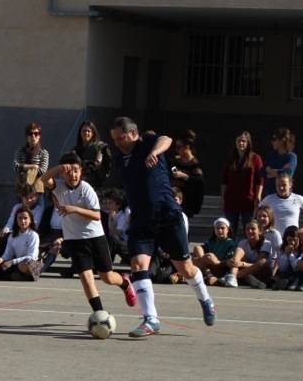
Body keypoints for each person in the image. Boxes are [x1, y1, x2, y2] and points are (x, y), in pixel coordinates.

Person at [109, 116, 215, 337]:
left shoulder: (147, 142)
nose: (117, 142)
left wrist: (155, 153)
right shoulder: (119, 158)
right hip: (140, 219)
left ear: (133, 133)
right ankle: (151, 319)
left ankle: (206, 300)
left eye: (121, 138)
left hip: (167, 215)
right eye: (114, 139)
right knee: (138, 264)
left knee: (184, 268)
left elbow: (166, 139)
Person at [49, 153, 138, 307]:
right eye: (68, 171)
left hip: (95, 237)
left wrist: (74, 209)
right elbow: (41, 180)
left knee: (107, 277)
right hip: (74, 239)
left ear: (81, 171)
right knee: (86, 278)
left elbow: (96, 215)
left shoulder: (86, 189)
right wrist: (58, 168)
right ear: (62, 173)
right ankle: (99, 314)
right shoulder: (59, 187)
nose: (73, 174)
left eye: (76, 170)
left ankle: (125, 282)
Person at [220, 131, 264, 230]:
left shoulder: (255, 158)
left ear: (248, 143)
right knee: (230, 230)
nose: (241, 143)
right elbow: (224, 180)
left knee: (250, 229)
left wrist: (258, 196)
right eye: (239, 141)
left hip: (248, 200)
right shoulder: (231, 158)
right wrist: (223, 198)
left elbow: (260, 179)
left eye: (243, 141)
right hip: (231, 200)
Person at [0, 207, 42, 281]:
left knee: (24, 264)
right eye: (20, 218)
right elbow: (8, 252)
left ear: (30, 220)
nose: (23, 221)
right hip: (16, 264)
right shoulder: (12, 235)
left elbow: (31, 257)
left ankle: (25, 276)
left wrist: (12, 261)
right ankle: (15, 275)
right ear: (16, 220)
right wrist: (2, 259)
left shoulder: (33, 235)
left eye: (25, 218)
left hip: (32, 265)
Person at [192, 217, 239, 287]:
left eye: (222, 228)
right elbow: (200, 252)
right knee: (197, 248)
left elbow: (230, 262)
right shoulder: (211, 241)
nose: (219, 230)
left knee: (206, 257)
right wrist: (202, 258)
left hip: (222, 268)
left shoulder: (232, 243)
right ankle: (208, 276)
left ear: (228, 230)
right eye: (217, 228)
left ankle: (207, 276)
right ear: (214, 230)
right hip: (209, 266)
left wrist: (217, 262)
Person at [168, 131, 204, 218]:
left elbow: (199, 182)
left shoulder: (196, 164)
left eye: (178, 147)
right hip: (173, 199)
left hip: (188, 202)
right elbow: (171, 172)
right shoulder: (174, 161)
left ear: (187, 147)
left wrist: (184, 176)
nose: (176, 150)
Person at [233, 220, 274, 289]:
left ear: (259, 231)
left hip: (262, 271)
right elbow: (236, 262)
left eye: (253, 229)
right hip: (247, 271)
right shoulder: (242, 243)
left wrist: (243, 264)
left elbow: (258, 264)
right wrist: (236, 261)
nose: (250, 231)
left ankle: (234, 276)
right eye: (247, 229)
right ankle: (251, 281)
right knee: (238, 253)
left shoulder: (266, 243)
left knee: (263, 261)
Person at [74, 120, 111, 192]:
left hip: (95, 186)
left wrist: (89, 165)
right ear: (80, 133)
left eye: (88, 131)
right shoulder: (75, 150)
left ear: (93, 133)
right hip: (77, 185)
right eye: (84, 131)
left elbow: (100, 165)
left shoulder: (101, 147)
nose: (86, 133)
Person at [264, 127, 298, 199]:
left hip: (284, 196)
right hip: (269, 196)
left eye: (274, 139)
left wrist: (270, 171)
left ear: (282, 141)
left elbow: (287, 172)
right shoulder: (272, 155)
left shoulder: (291, 157)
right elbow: (262, 171)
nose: (272, 142)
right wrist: (277, 172)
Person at [14, 122, 49, 192]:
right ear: (27, 137)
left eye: (36, 134)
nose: (33, 136)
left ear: (39, 136)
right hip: (22, 189)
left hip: (37, 189)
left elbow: (42, 171)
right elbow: (16, 167)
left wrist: (23, 168)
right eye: (30, 134)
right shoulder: (20, 151)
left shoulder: (43, 153)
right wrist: (33, 166)